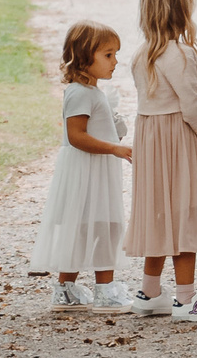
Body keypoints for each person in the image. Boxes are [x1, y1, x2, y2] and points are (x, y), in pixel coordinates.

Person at [121, 0, 197, 323]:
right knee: (186, 210)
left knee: (159, 213)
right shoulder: (180, 53)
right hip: (177, 139)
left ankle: (149, 292)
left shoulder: (142, 55)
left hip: (151, 139)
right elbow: (190, 106)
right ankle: (186, 300)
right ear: (181, 12)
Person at [28, 21, 133, 307]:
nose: (116, 61)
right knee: (103, 225)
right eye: (108, 55)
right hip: (87, 169)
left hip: (96, 169)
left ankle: (67, 289)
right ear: (85, 57)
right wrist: (114, 147)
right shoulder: (79, 93)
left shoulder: (92, 92)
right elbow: (75, 136)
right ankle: (105, 290)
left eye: (115, 54)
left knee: (90, 226)